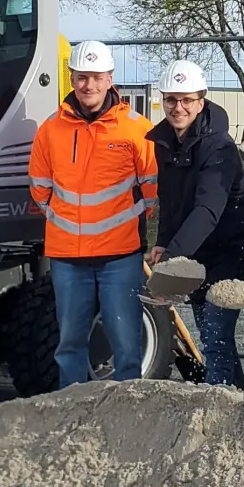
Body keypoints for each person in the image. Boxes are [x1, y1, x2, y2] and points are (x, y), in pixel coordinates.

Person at [29, 39, 158, 388]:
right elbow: (39, 188)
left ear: (110, 78)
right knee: (69, 345)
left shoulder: (136, 128)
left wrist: (126, 223)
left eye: (97, 77)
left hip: (119, 257)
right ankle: (72, 413)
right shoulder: (51, 129)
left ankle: (129, 413)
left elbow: (152, 189)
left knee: (127, 345)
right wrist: (65, 221)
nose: (89, 85)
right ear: (71, 78)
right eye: (82, 77)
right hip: (68, 257)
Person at [144, 59, 244, 388]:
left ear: (201, 100)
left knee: (216, 335)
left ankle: (219, 407)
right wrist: (165, 242)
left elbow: (207, 210)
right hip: (197, 252)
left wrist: (171, 262)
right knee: (212, 336)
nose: (178, 107)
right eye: (171, 99)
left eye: (187, 100)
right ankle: (239, 401)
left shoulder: (219, 147)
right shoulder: (164, 142)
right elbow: (169, 200)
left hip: (232, 249)